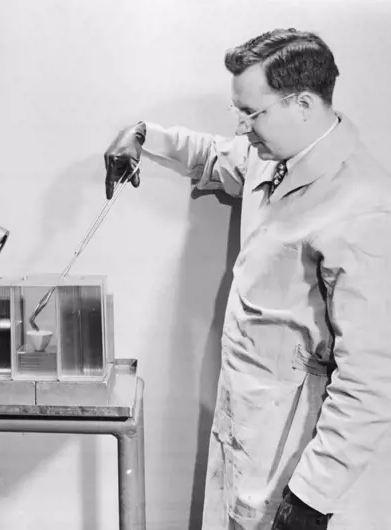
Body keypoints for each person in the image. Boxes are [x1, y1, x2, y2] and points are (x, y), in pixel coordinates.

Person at [104, 28, 391, 530]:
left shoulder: (363, 209)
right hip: (244, 421)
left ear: (303, 103)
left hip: (294, 455)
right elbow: (213, 152)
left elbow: (371, 379)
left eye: (251, 113)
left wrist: (311, 500)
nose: (241, 126)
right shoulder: (273, 154)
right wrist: (144, 134)